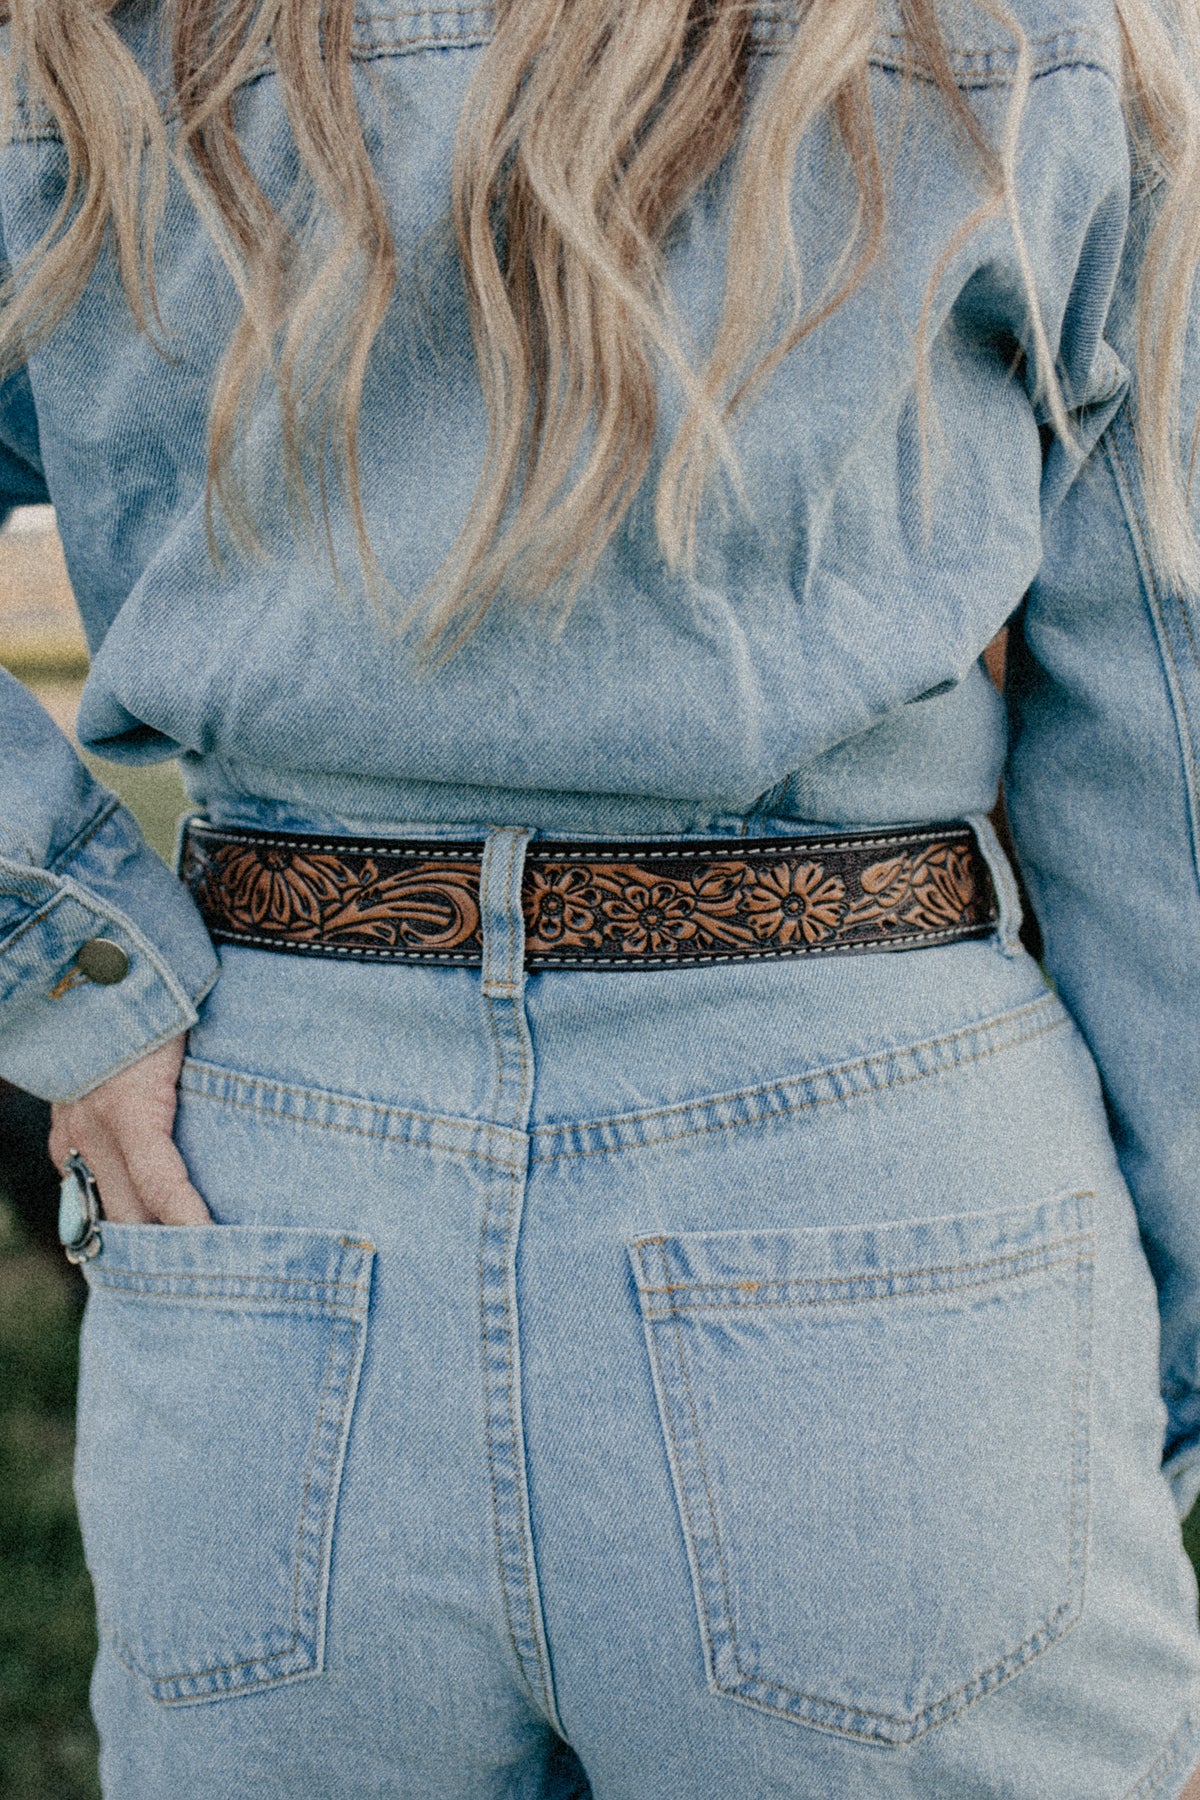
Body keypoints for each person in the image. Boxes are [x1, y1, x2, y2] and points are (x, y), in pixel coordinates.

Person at [4, 0, 1200, 1793]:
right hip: (887, 1183)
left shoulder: (80, 45)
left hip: (265, 1178)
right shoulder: (1024, 33)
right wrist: (1145, 1374)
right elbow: (1164, 740)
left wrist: (63, 963)